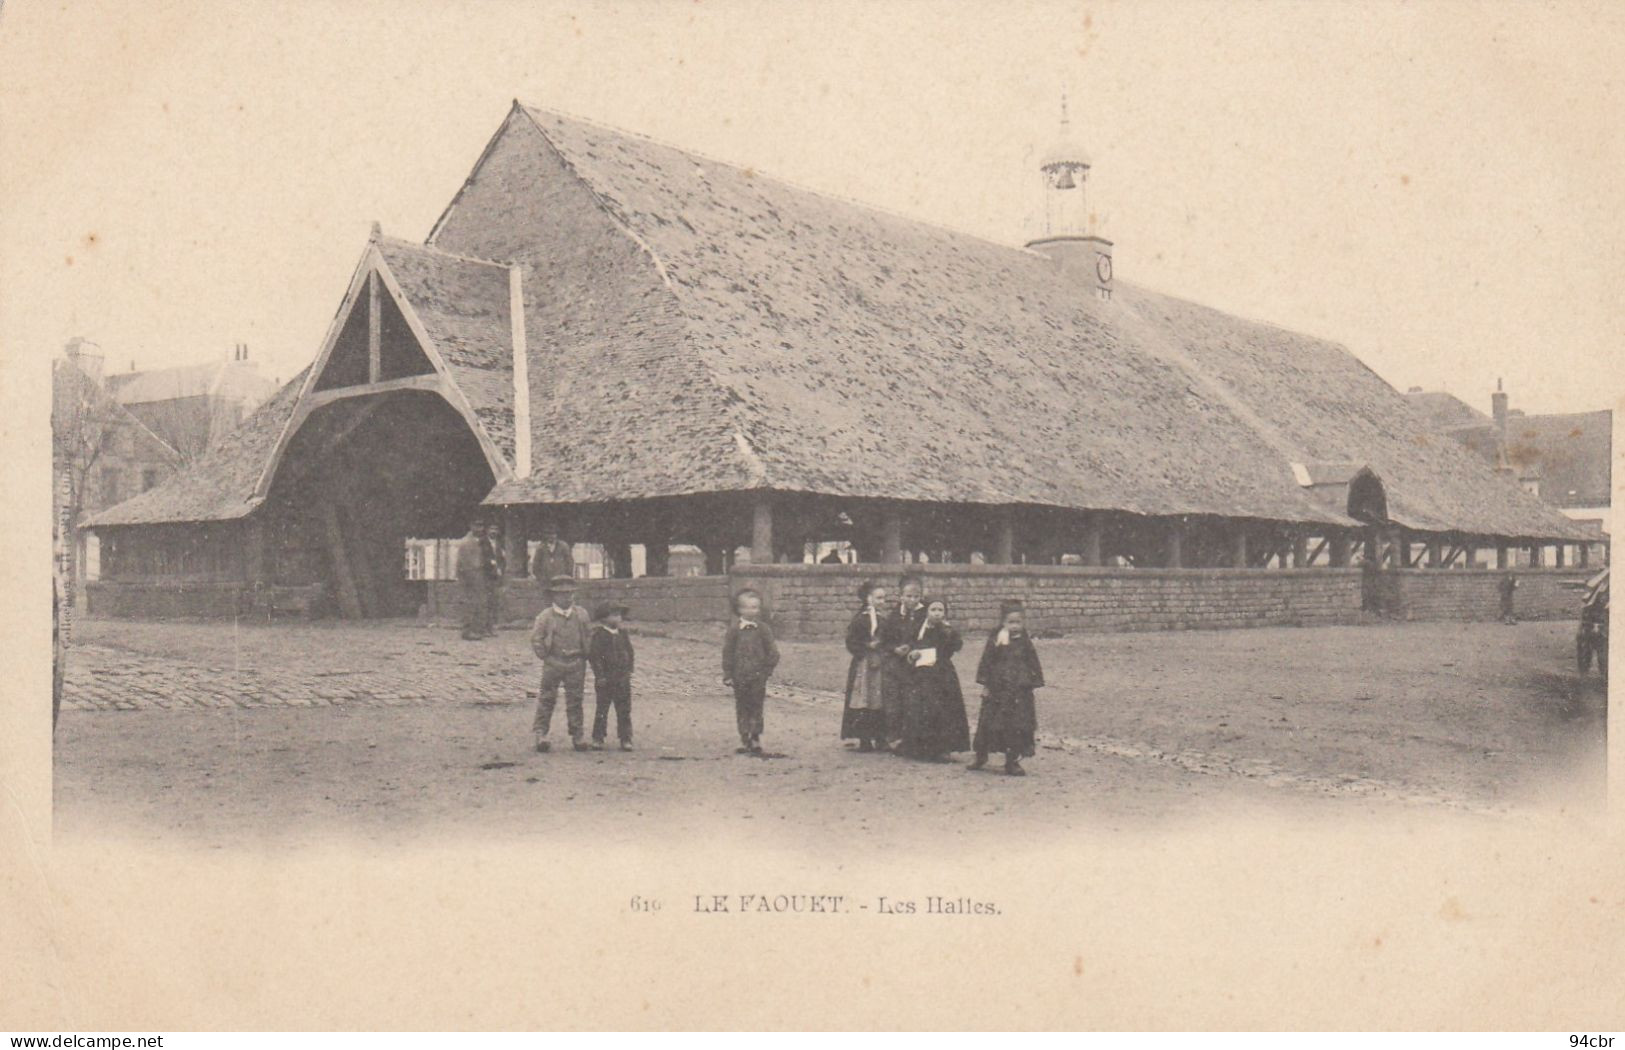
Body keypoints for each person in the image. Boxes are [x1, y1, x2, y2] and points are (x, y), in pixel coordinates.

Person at [971, 599, 1045, 776]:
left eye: (1018, 622)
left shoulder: (1025, 642)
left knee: (1017, 725)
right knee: (989, 722)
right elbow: (987, 662)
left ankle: (1012, 761)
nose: (1015, 626)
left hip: (1018, 692)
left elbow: (1032, 662)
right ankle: (981, 756)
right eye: (1010, 622)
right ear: (1003, 623)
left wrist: (1031, 682)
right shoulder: (996, 640)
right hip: (998, 690)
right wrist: (986, 684)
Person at [899, 598, 971, 761]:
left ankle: (942, 748)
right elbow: (909, 645)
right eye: (933, 610)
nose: (937, 614)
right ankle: (919, 747)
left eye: (940, 610)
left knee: (943, 708)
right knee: (920, 707)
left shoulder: (946, 629)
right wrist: (912, 654)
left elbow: (957, 646)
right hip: (921, 674)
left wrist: (950, 634)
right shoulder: (918, 628)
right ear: (926, 612)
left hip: (942, 674)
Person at [530, 575, 594, 752]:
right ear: (553, 596)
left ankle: (577, 734)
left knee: (575, 700)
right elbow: (537, 639)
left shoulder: (581, 614)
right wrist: (545, 656)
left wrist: (585, 655)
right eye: (563, 594)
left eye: (570, 593)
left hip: (576, 663)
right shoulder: (545, 617)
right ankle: (541, 733)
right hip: (553, 662)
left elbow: (588, 635)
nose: (568, 597)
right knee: (547, 698)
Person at [722, 588, 779, 755]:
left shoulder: (763, 630)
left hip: (758, 677)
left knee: (756, 705)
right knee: (742, 705)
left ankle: (755, 736)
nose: (751, 611)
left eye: (755, 607)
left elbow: (773, 653)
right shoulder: (734, 630)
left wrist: (766, 671)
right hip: (740, 676)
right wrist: (728, 674)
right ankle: (744, 735)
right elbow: (728, 653)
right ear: (739, 609)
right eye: (747, 607)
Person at [879, 574, 927, 750]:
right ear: (901, 596)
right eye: (908, 596)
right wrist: (895, 649)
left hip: (915, 663)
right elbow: (885, 638)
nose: (912, 600)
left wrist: (913, 647)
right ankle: (893, 736)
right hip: (895, 664)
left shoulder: (925, 614)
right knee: (893, 701)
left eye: (916, 596)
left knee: (913, 701)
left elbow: (927, 637)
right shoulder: (894, 615)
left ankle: (911, 738)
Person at [841, 580, 889, 752]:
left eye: (884, 598)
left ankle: (881, 737)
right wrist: (867, 646)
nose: (882, 601)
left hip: (881, 663)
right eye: (878, 598)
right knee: (864, 699)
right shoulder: (860, 620)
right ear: (869, 599)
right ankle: (865, 738)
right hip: (865, 666)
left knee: (881, 699)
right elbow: (851, 641)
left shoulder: (884, 619)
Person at [589, 601, 636, 751]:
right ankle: (598, 737)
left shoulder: (623, 634)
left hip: (622, 679)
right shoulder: (599, 635)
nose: (619, 618)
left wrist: (629, 670)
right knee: (602, 710)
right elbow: (595, 657)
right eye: (614, 615)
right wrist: (600, 676)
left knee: (624, 710)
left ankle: (625, 738)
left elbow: (630, 652)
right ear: (604, 618)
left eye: (619, 615)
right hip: (606, 680)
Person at [456, 520, 493, 640]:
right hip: (470, 577)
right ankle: (468, 631)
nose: (480, 529)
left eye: (481, 526)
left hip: (479, 576)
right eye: (477, 526)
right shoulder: (467, 543)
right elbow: (465, 564)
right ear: (471, 526)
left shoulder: (480, 542)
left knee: (480, 603)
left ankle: (477, 630)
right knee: (470, 604)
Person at [483, 522, 506, 633]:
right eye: (491, 528)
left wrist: (500, 569)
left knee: (494, 602)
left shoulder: (499, 544)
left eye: (496, 529)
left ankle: (491, 627)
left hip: (496, 578)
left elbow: (502, 559)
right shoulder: (483, 543)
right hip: (485, 577)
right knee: (486, 602)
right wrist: (491, 563)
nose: (494, 531)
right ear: (487, 530)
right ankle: (485, 627)